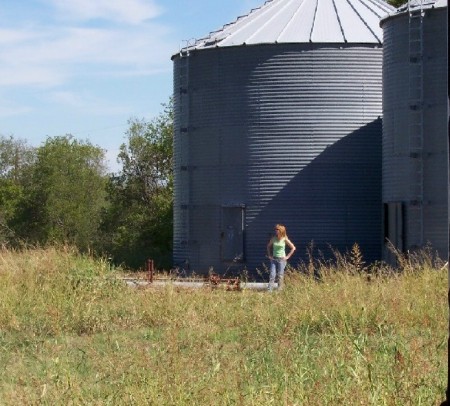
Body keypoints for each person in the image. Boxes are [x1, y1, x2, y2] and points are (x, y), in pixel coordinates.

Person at [266, 224, 296, 291]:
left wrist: (287, 257)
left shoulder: (284, 239)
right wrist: (269, 255)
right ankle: (269, 290)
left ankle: (279, 290)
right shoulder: (273, 238)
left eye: (277, 229)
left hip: (281, 260)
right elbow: (268, 246)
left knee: (280, 275)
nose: (276, 231)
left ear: (281, 231)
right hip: (274, 259)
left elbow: (293, 248)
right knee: (272, 275)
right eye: (275, 229)